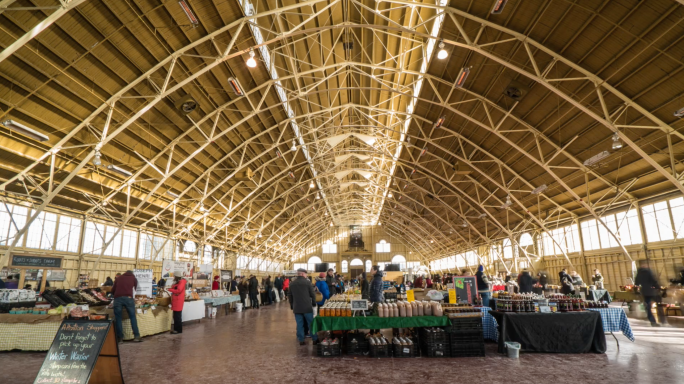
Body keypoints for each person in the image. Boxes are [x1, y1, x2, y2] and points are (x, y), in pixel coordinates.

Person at [288, 268, 318, 345]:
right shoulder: (307, 283)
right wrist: (314, 303)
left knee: (299, 324)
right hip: (307, 307)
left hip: (297, 307)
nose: (306, 275)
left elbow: (290, 295)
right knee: (311, 323)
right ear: (302, 274)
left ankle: (301, 340)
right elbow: (312, 294)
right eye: (305, 274)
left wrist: (292, 304)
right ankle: (314, 339)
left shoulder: (292, 283)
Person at [111, 270, 142, 343]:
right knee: (132, 317)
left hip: (118, 299)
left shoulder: (118, 278)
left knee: (118, 318)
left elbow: (113, 290)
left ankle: (120, 338)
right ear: (132, 274)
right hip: (128, 298)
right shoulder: (133, 278)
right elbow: (135, 289)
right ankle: (136, 336)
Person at [635, 261, 664, 326]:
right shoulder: (649, 271)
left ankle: (652, 321)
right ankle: (662, 320)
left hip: (644, 292)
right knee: (659, 305)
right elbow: (654, 280)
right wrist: (658, 287)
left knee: (648, 307)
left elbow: (636, 283)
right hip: (652, 291)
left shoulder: (639, 273)